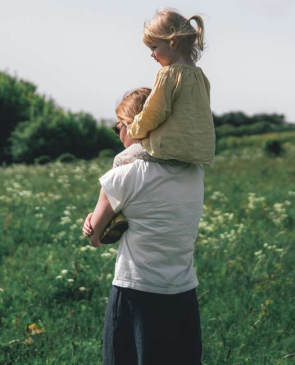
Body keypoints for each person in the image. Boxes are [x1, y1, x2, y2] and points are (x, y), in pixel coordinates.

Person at [83, 88, 205, 364]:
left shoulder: (123, 175)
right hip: (183, 291)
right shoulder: (195, 172)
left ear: (132, 125)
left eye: (119, 128)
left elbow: (97, 239)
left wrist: (93, 223)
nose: (119, 135)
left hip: (136, 291)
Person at [126, 8, 216, 167]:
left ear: (173, 42)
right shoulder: (200, 76)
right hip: (197, 152)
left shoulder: (168, 74)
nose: (151, 54)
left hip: (168, 150)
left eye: (154, 47)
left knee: (121, 160)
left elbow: (155, 112)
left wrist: (134, 130)